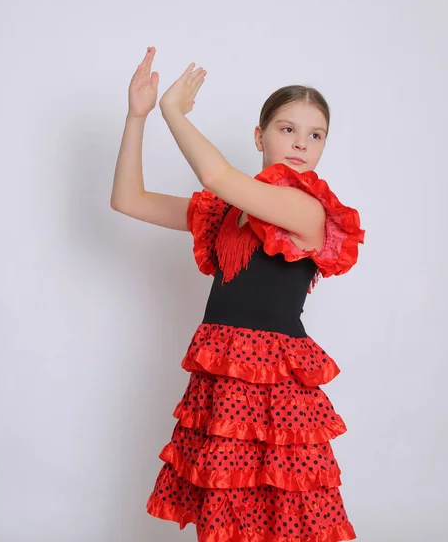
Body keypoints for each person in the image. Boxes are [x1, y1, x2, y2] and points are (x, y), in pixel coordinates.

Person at [110, 47, 365, 542]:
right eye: (287, 129)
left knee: (283, 512)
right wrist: (137, 116)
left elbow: (217, 176)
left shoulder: (306, 209)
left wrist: (174, 112)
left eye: (315, 135)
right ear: (260, 135)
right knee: (229, 512)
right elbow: (128, 200)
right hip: (224, 373)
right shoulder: (224, 212)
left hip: (275, 383)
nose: (301, 143)